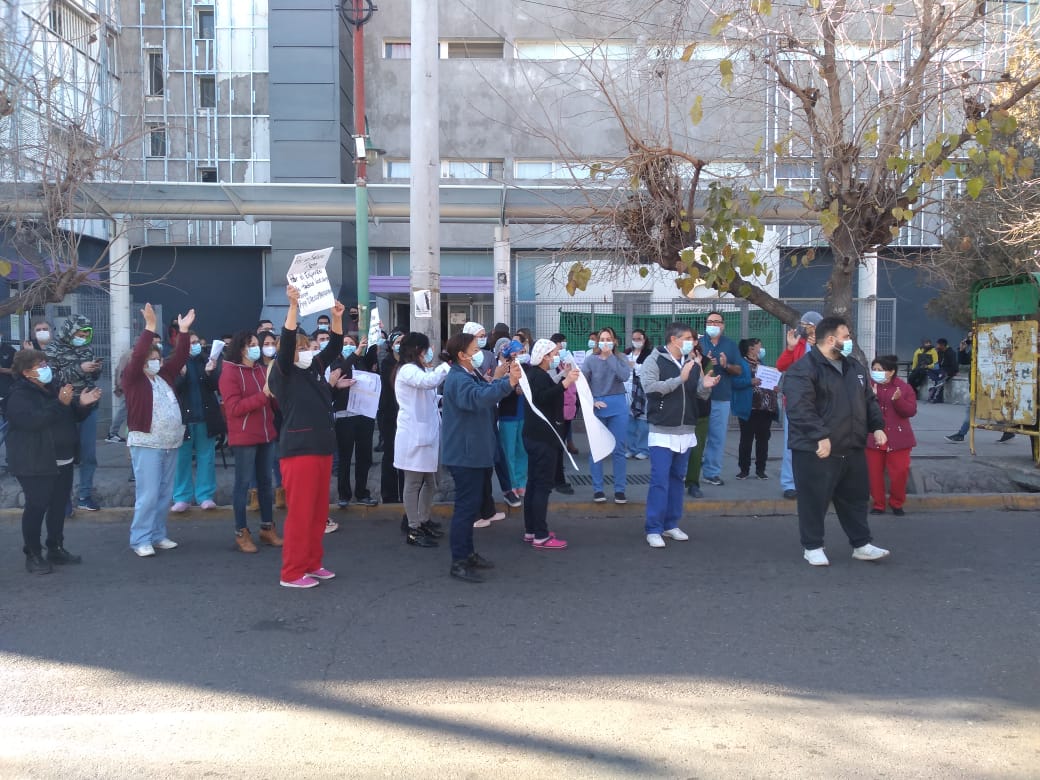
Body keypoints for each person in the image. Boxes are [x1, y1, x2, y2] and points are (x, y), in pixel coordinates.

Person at [783, 316, 891, 566]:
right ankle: (813, 546)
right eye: (846, 336)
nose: (850, 340)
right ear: (831, 340)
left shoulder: (854, 367)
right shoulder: (803, 369)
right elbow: (799, 408)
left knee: (855, 499)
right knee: (814, 500)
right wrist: (819, 435)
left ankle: (861, 544)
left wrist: (877, 427)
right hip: (816, 449)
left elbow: (868, 400)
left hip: (851, 446)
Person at [268, 287, 343, 589]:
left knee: (317, 513)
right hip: (299, 451)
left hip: (321, 447)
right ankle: (291, 572)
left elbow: (334, 347)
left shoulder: (313, 369)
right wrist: (293, 308)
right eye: (303, 348)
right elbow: (286, 346)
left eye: (309, 347)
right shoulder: (283, 373)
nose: (309, 351)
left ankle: (312, 563)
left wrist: (337, 319)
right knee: (300, 514)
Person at [7, 349, 101, 573]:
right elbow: (33, 422)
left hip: (63, 460)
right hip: (35, 461)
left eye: (45, 364)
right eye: (40, 365)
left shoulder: (54, 387)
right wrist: (60, 404)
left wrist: (83, 404)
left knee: (58, 507)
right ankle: (33, 554)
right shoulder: (19, 395)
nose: (46, 368)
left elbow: (72, 414)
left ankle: (55, 547)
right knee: (37, 506)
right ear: (26, 372)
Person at [441, 332, 522, 583]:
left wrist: (502, 379)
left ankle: (468, 554)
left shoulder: (468, 374)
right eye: (475, 350)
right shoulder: (458, 379)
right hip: (465, 455)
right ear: (461, 355)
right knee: (466, 509)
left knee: (470, 506)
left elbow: (484, 390)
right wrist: (508, 383)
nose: (479, 353)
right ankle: (459, 561)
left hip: (473, 452)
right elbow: (478, 398)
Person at [124, 303, 193, 557]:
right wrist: (150, 328)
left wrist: (183, 332)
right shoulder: (133, 379)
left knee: (165, 493)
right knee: (149, 494)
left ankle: (157, 534)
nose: (155, 362)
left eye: (157, 359)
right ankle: (140, 538)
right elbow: (137, 356)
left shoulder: (164, 376)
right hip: (147, 443)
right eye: (150, 359)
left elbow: (181, 357)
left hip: (170, 442)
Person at [641, 323, 718, 548]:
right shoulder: (654, 360)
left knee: (677, 479)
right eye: (687, 338)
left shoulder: (693, 362)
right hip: (662, 430)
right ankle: (653, 528)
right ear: (673, 340)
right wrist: (679, 379)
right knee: (660, 480)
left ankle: (671, 524)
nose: (691, 343)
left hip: (686, 430)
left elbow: (700, 394)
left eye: (692, 339)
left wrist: (706, 385)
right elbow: (650, 388)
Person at [219, 331, 281, 553]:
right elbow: (234, 408)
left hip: (266, 434)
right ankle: (241, 531)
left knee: (266, 483)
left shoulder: (261, 370)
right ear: (241, 348)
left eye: (257, 344)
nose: (257, 348)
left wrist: (276, 395)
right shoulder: (229, 373)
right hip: (244, 437)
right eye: (252, 344)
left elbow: (271, 401)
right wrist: (263, 396)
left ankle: (267, 527)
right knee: (243, 484)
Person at [520, 339, 580, 549]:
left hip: (534, 436)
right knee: (542, 486)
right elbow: (543, 397)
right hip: (543, 438)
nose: (556, 357)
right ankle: (541, 535)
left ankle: (531, 530)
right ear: (545, 356)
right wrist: (566, 382)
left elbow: (545, 389)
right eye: (554, 354)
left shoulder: (536, 374)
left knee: (533, 484)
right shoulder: (537, 375)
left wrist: (563, 376)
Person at [394, 332, 449, 547]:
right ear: (418, 350)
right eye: (427, 349)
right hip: (413, 436)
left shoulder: (420, 370)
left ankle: (423, 520)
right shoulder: (407, 370)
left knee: (431, 482)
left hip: (427, 434)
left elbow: (428, 394)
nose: (429, 353)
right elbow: (427, 383)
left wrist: (443, 399)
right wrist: (446, 367)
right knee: (414, 483)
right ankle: (413, 528)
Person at [45, 314, 103, 512]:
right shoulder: (52, 349)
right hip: (65, 407)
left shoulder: (87, 349)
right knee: (65, 455)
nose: (82, 338)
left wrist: (95, 369)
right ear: (70, 331)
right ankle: (64, 499)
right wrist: (80, 368)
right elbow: (52, 378)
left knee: (88, 455)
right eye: (79, 334)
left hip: (88, 407)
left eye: (86, 335)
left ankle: (84, 495)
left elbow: (92, 376)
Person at [171, 330, 224, 512]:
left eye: (196, 342)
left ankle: (205, 496)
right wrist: (181, 375)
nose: (195, 345)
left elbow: (215, 386)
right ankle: (181, 497)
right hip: (182, 419)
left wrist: (210, 373)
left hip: (205, 417)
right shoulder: (173, 363)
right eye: (190, 342)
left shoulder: (205, 360)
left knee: (206, 458)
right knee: (182, 459)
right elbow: (172, 388)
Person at [776, 311, 823, 500]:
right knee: (791, 446)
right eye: (802, 325)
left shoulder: (825, 344)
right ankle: (790, 484)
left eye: (807, 325)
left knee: (819, 445)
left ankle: (814, 483)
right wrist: (790, 348)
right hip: (795, 404)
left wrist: (819, 347)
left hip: (819, 404)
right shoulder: (798, 344)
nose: (803, 328)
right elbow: (781, 366)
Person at [582, 327, 631, 503]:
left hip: (618, 404)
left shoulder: (621, 358)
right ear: (597, 342)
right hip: (598, 406)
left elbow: (624, 376)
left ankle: (620, 490)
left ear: (614, 341)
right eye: (602, 339)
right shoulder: (590, 360)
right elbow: (583, 383)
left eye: (608, 339)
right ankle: (598, 489)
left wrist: (610, 356)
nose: (605, 342)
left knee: (619, 449)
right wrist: (592, 400)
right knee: (597, 449)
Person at [330, 334, 378, 508]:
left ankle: (362, 493)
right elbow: (337, 377)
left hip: (364, 414)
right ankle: (344, 495)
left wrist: (373, 337)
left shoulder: (361, 362)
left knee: (364, 457)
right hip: (345, 416)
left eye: (352, 343)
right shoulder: (335, 363)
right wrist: (355, 354)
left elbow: (373, 361)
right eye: (345, 343)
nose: (349, 346)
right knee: (345, 457)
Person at [867, 355, 917, 516]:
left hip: (898, 438)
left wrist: (898, 400)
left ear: (891, 372)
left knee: (900, 473)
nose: (876, 372)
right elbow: (861, 410)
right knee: (874, 474)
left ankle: (897, 503)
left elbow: (910, 411)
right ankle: (878, 504)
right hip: (873, 437)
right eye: (874, 369)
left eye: (880, 370)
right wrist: (871, 398)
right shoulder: (868, 386)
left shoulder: (903, 388)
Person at [698, 311, 742, 487]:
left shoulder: (730, 345)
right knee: (695, 438)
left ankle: (711, 473)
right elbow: (686, 367)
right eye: (710, 322)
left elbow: (739, 370)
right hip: (699, 397)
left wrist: (726, 365)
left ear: (723, 325)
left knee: (717, 438)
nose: (713, 325)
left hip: (721, 397)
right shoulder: (698, 344)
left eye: (717, 322)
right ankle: (688, 473)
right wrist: (704, 362)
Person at [733, 338, 778, 480]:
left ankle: (760, 470)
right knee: (746, 440)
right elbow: (734, 382)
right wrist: (749, 381)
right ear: (751, 349)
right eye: (759, 346)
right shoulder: (741, 363)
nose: (761, 349)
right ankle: (744, 469)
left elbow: (767, 382)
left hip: (765, 408)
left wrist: (774, 387)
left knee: (763, 440)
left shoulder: (761, 363)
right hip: (749, 408)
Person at [497, 338, 529, 503]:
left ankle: (522, 483)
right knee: (509, 452)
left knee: (522, 450)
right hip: (507, 416)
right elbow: (498, 390)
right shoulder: (504, 369)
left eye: (523, 352)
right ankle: (512, 484)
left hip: (523, 415)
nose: (521, 355)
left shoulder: (527, 368)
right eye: (518, 353)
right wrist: (513, 389)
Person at [378, 330, 406, 504]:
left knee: (405, 457)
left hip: (405, 415)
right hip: (389, 415)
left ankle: (405, 494)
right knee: (390, 455)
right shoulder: (387, 363)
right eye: (398, 342)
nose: (401, 345)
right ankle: (389, 495)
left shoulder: (410, 363)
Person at [624, 329, 652, 460]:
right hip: (627, 390)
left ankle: (644, 449)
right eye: (634, 339)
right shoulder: (627, 353)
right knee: (629, 422)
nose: (636, 341)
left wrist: (635, 365)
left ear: (644, 339)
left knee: (643, 422)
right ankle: (631, 448)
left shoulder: (649, 354)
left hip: (642, 391)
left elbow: (648, 371)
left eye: (639, 339)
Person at [0, 329, 17, 470]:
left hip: (6, 395)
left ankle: (11, 461)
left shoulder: (10, 350)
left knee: (8, 430)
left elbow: (16, 370)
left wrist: (2, 370)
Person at [927, 338, 959, 403]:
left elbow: (954, 365)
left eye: (938, 345)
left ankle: (938, 397)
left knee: (940, 379)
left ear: (942, 345)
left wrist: (953, 372)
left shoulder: (951, 353)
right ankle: (933, 395)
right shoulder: (939, 352)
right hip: (941, 370)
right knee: (935, 375)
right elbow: (937, 363)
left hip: (949, 371)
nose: (937, 346)